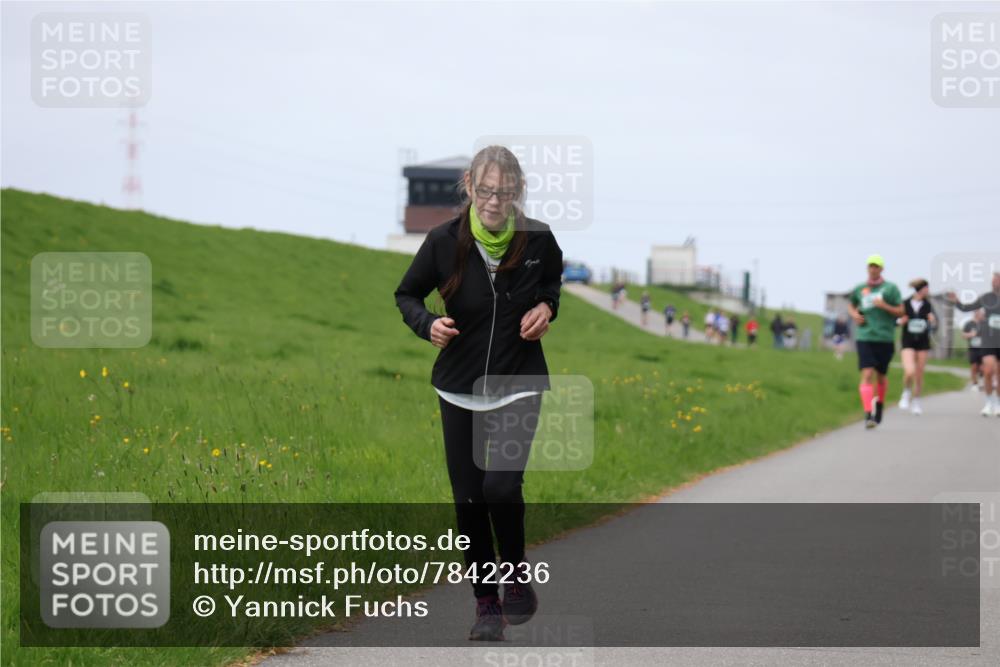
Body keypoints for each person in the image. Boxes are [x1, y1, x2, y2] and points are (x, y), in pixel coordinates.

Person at [394, 145, 562, 640]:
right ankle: (487, 604)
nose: (493, 201)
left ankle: (514, 576)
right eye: (485, 190)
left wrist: (547, 310)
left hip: (518, 382)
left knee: (501, 488)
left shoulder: (539, 240)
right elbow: (406, 294)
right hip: (459, 386)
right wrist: (427, 325)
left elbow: (551, 284)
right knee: (469, 499)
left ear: (517, 192)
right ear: (469, 185)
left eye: (504, 192)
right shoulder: (443, 241)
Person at [847, 254, 904, 429]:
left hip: (885, 337)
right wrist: (854, 315)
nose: (873, 269)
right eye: (870, 266)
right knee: (867, 373)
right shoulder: (860, 288)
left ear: (881, 269)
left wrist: (884, 306)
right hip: (865, 336)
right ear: (867, 268)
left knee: (880, 376)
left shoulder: (891, 289)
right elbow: (851, 304)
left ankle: (879, 404)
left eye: (876, 266)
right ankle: (867, 414)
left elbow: (901, 311)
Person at [947, 271, 1000, 416]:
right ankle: (989, 403)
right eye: (993, 280)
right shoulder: (986, 297)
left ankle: (998, 404)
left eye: (997, 280)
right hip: (988, 340)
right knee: (988, 371)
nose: (994, 283)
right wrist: (956, 301)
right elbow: (966, 308)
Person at [898, 279, 936, 415]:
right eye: (927, 288)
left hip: (922, 342)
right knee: (909, 371)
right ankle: (906, 392)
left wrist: (933, 321)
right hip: (908, 341)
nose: (928, 291)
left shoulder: (928, 305)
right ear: (921, 289)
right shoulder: (905, 303)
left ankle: (916, 401)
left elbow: (935, 325)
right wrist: (900, 321)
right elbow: (896, 319)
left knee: (919, 373)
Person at [962, 309, 985, 391]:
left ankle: (982, 380)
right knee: (974, 366)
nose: (979, 314)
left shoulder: (984, 323)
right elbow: (963, 335)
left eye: (980, 312)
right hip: (973, 348)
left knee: (983, 367)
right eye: (977, 312)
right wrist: (971, 334)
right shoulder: (969, 324)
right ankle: (974, 384)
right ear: (974, 313)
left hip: (984, 348)